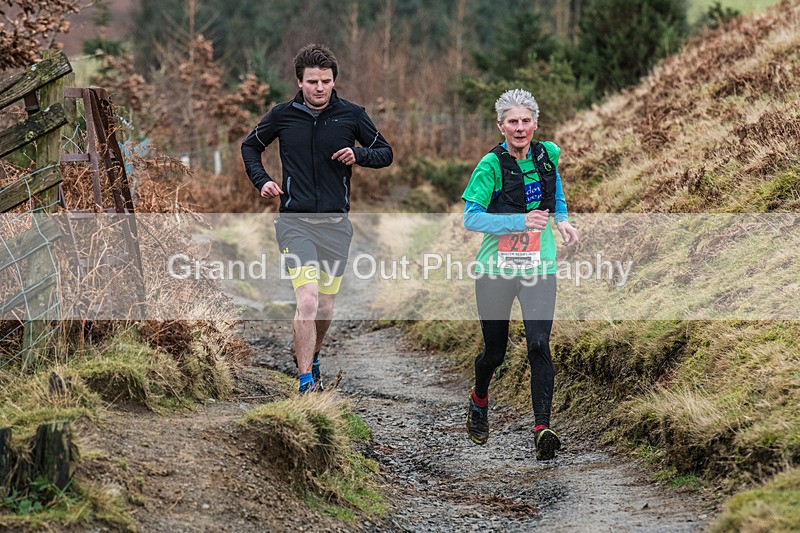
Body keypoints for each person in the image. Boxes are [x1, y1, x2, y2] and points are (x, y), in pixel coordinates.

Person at [241, 43, 393, 393]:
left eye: (326, 81)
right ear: (299, 82)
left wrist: (358, 154)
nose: (320, 87)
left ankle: (315, 353)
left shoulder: (352, 115)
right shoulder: (282, 115)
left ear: (333, 81)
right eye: (313, 82)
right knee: (307, 298)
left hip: (336, 226)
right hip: (294, 223)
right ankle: (306, 380)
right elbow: (250, 146)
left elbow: (385, 153)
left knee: (324, 304)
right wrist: (262, 181)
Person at [461, 88, 579, 460]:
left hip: (539, 267)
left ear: (535, 123)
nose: (520, 127)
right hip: (495, 270)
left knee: (539, 344)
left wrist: (562, 221)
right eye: (512, 121)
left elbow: (554, 190)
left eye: (526, 120)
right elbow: (471, 218)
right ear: (501, 126)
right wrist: (519, 220)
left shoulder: (547, 155)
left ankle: (542, 427)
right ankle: (480, 396)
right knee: (494, 352)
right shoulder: (490, 166)